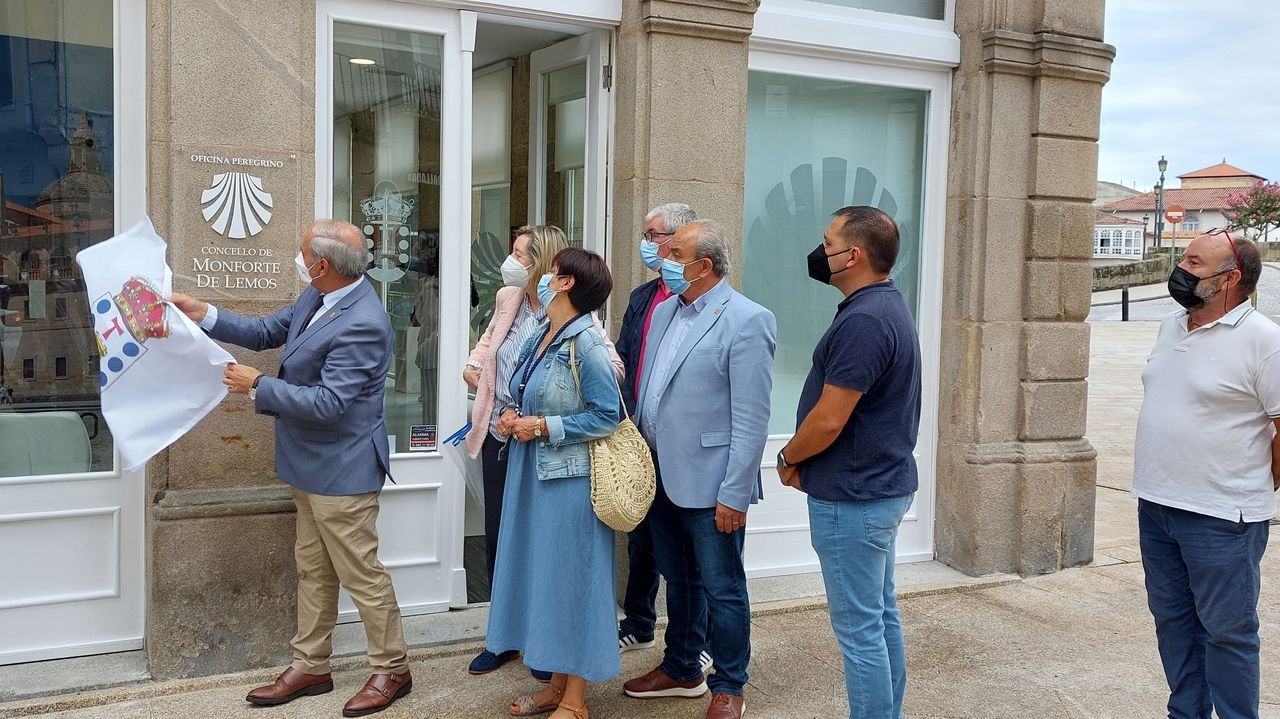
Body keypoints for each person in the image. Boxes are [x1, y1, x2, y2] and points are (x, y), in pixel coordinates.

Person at [170, 219, 411, 718]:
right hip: (306, 464)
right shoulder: (317, 294)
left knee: (361, 574)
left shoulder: (365, 321)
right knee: (313, 571)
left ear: (322, 265)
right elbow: (264, 331)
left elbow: (329, 404)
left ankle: (393, 668)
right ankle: (311, 665)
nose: (297, 259)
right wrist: (204, 313)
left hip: (343, 471)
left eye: (302, 253)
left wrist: (258, 385)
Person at [623, 220, 776, 719]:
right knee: (678, 581)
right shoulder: (666, 309)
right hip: (661, 476)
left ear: (704, 266)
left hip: (713, 484)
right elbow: (653, 392)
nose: (664, 258)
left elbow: (752, 419)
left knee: (723, 587)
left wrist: (735, 493)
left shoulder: (748, 320)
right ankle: (682, 666)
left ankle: (729, 685)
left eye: (675, 253)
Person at [775, 206, 921, 719]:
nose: (821, 251)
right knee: (879, 619)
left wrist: (788, 455)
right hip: (875, 490)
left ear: (852, 254)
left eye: (827, 241)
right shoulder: (881, 308)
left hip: (854, 499)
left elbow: (829, 420)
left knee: (861, 632)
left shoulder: (865, 320)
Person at [462, 225, 622, 678]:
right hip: (512, 440)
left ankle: (551, 657)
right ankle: (513, 639)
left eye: (523, 255)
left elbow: (606, 396)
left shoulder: (580, 330)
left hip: (554, 454)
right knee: (509, 541)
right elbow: (491, 347)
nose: (511, 261)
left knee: (553, 561)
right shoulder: (520, 310)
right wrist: (484, 378)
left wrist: (544, 420)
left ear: (558, 274)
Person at [1133, 228, 1278, 719]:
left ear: (1229, 278)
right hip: (1156, 505)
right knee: (1172, 622)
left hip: (1222, 515)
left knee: (1228, 632)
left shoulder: (1265, 341)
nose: (1180, 269)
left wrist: (1260, 481)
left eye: (1194, 263)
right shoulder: (1172, 325)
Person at [614, 203, 709, 672]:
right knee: (643, 537)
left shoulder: (707, 308)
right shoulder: (642, 296)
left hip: (685, 449)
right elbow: (625, 355)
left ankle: (698, 640)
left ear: (681, 241)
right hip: (639, 437)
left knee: (692, 556)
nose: (648, 244)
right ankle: (638, 619)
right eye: (647, 234)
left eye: (656, 236)